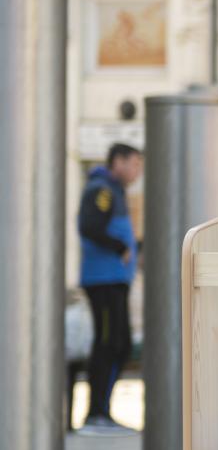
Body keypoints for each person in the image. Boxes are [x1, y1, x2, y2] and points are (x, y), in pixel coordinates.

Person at [76, 143, 143, 435]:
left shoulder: (115, 191)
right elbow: (89, 226)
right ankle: (95, 414)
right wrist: (120, 248)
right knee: (107, 342)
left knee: (120, 344)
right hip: (103, 280)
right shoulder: (101, 190)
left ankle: (104, 412)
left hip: (116, 279)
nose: (137, 171)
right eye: (134, 164)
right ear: (118, 161)